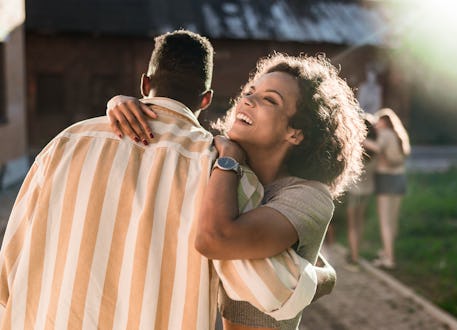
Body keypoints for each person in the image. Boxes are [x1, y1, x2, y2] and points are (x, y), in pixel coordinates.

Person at [112, 53, 367, 329]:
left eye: (270, 100)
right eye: (250, 92)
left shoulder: (309, 196)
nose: (247, 100)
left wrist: (230, 159)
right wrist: (118, 104)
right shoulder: (223, 168)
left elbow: (215, 239)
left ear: (295, 133)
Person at [0, 30, 218, 329]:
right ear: (206, 99)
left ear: (144, 83)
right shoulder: (216, 166)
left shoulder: (68, 142)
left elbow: (12, 256)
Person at [365, 108, 410, 269]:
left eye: (379, 121)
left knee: (385, 222)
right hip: (399, 178)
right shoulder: (398, 136)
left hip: (385, 179)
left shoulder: (384, 134)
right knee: (392, 219)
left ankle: (389, 259)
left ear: (385, 122)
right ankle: (387, 251)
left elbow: (377, 148)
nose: (376, 124)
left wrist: (360, 139)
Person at [345, 113, 378, 271]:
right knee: (360, 223)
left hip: (354, 192)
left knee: (353, 225)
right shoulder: (375, 149)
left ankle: (354, 257)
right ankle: (356, 253)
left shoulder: (357, 147)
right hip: (368, 190)